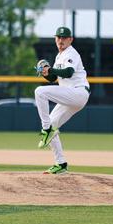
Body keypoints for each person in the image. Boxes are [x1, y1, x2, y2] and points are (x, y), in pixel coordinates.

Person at [34, 26, 90, 174]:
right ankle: (61, 164)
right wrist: (46, 73)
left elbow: (69, 72)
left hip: (78, 92)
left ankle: (45, 129)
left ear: (70, 40)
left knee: (39, 92)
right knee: (53, 125)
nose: (61, 40)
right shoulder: (59, 56)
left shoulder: (71, 53)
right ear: (55, 39)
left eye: (64, 38)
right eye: (58, 37)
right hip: (71, 96)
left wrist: (51, 70)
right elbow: (54, 78)